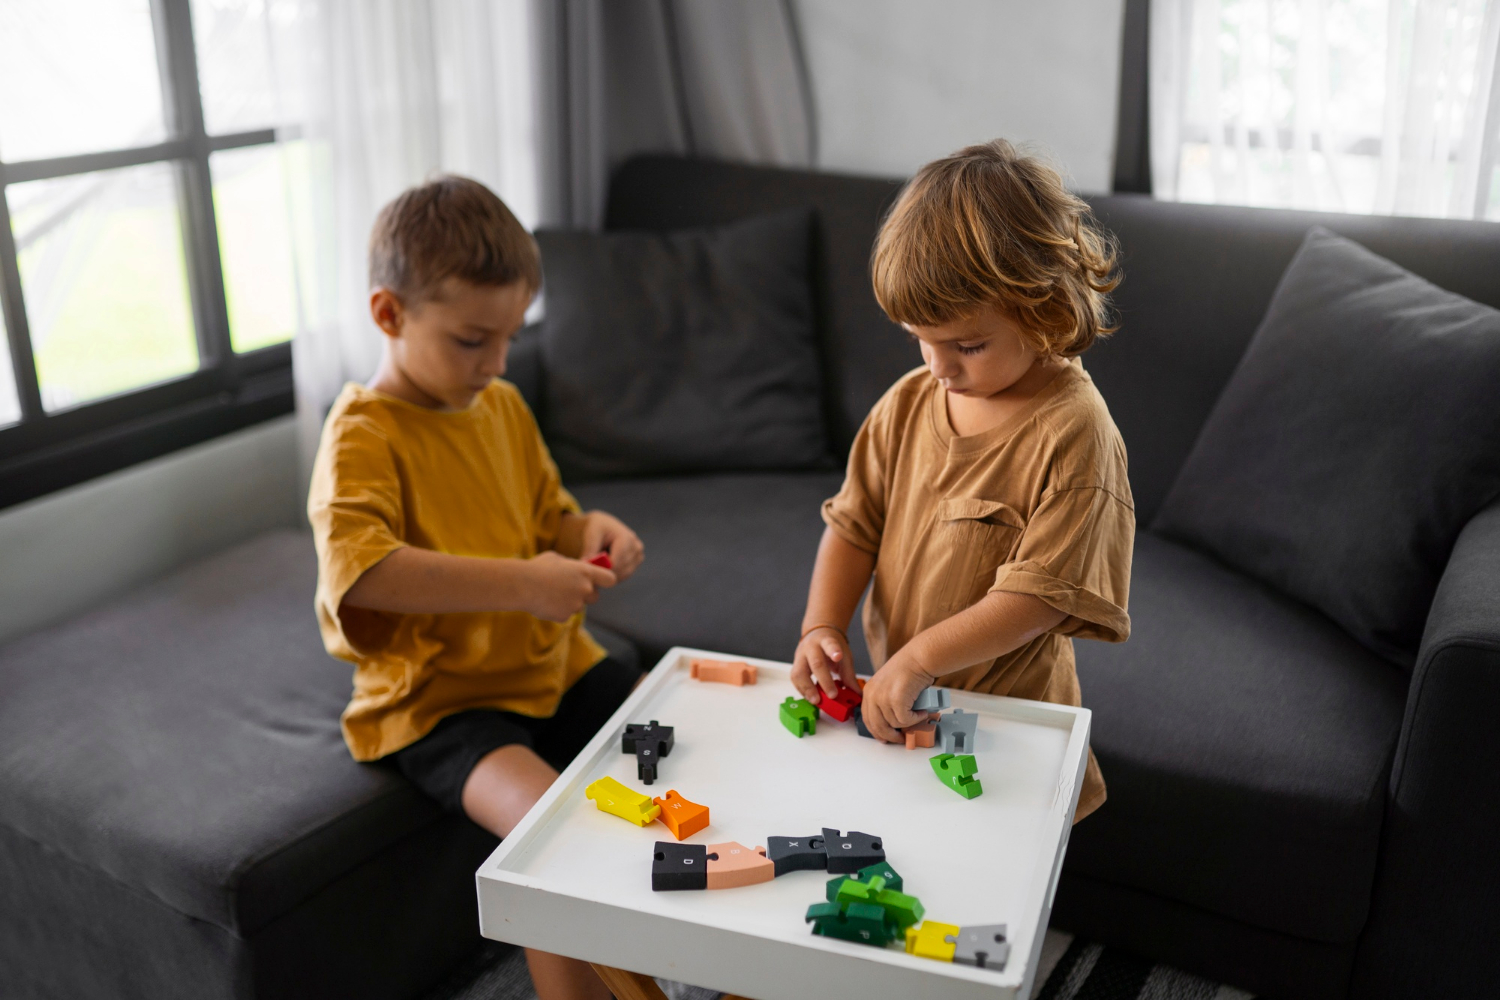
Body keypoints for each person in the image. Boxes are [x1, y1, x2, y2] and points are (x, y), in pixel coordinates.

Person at [307, 175, 640, 1000]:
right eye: (469, 340)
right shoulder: (361, 437)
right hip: (441, 702)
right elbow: (369, 573)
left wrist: (588, 531)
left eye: (508, 338)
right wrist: (524, 586)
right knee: (551, 836)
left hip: (553, 667)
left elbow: (545, 519)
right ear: (389, 315)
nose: (494, 363)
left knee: (677, 755)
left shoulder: (502, 406)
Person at [791, 140, 1133, 822]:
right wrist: (821, 624)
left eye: (967, 345)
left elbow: (1038, 597)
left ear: (1042, 311)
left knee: (998, 875)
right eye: (921, 338)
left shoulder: (1075, 434)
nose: (940, 367)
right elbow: (853, 526)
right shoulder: (909, 402)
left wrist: (920, 656)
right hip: (908, 701)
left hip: (1011, 721)